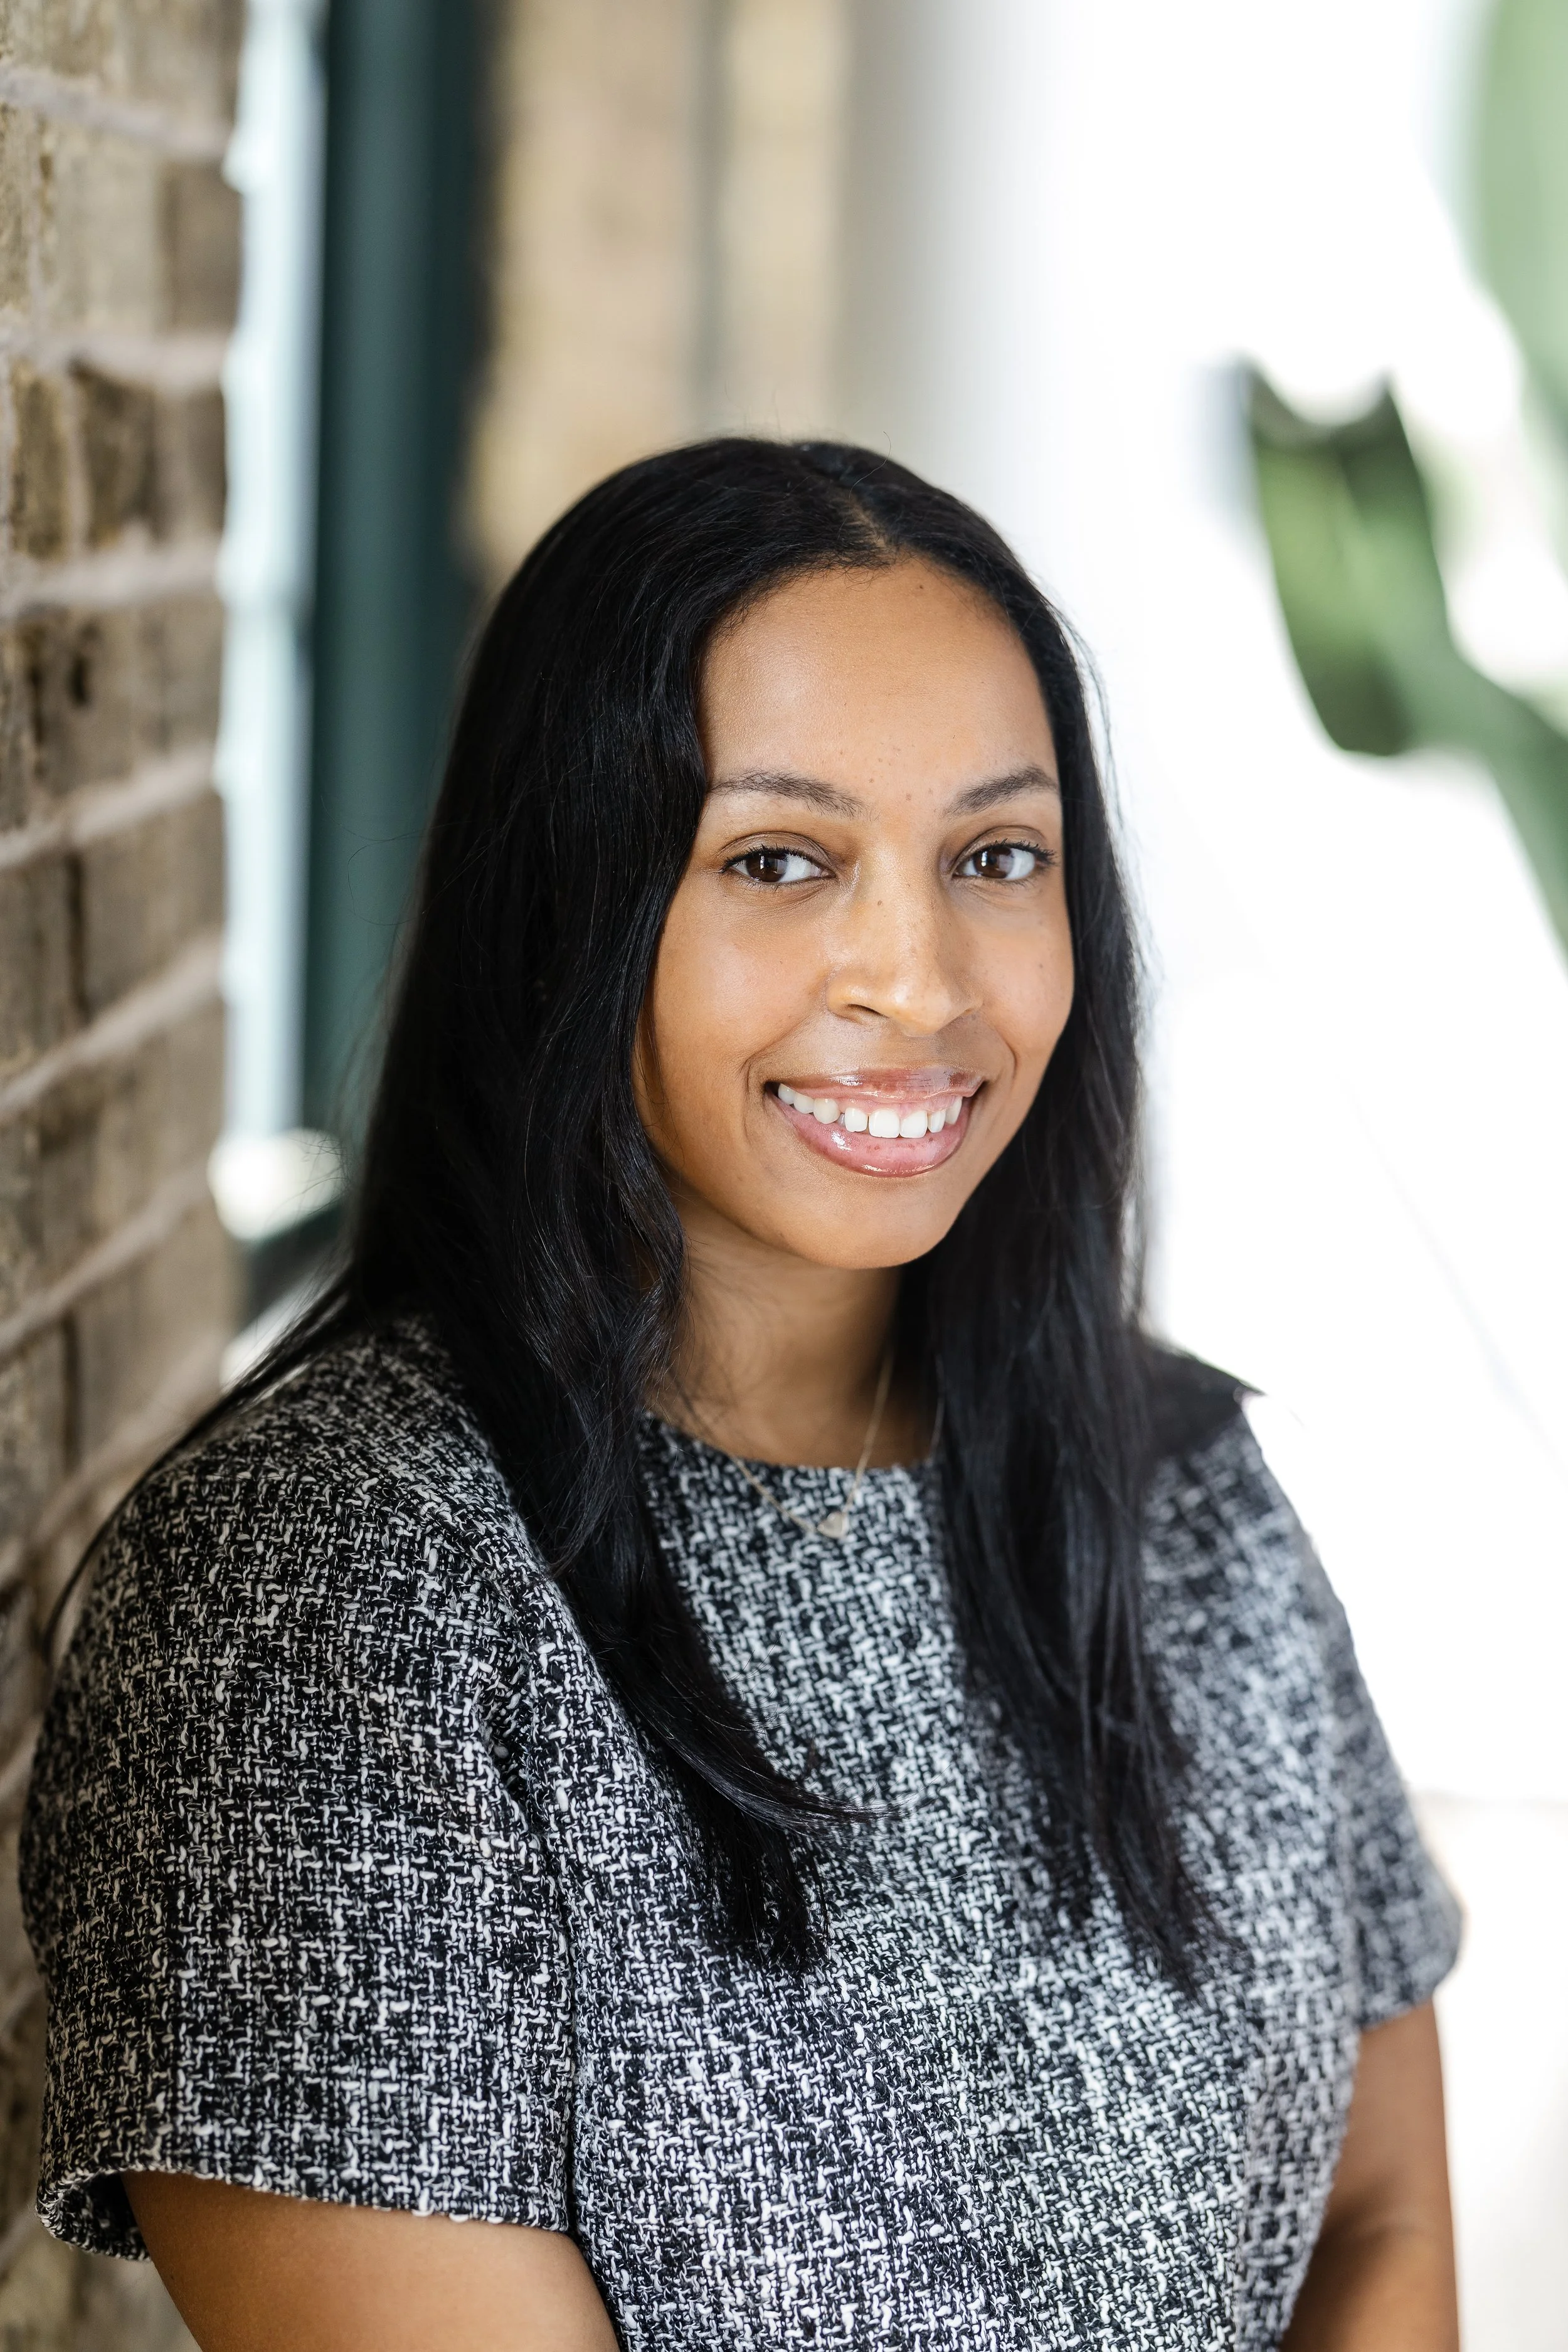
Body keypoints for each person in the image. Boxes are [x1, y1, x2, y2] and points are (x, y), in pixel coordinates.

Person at [21, 440, 1460, 2352]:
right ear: (574, 906)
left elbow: (1374, 2224)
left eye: (994, 856)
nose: (914, 975)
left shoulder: (1175, 1483)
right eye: (776, 860)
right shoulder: (316, 1608)